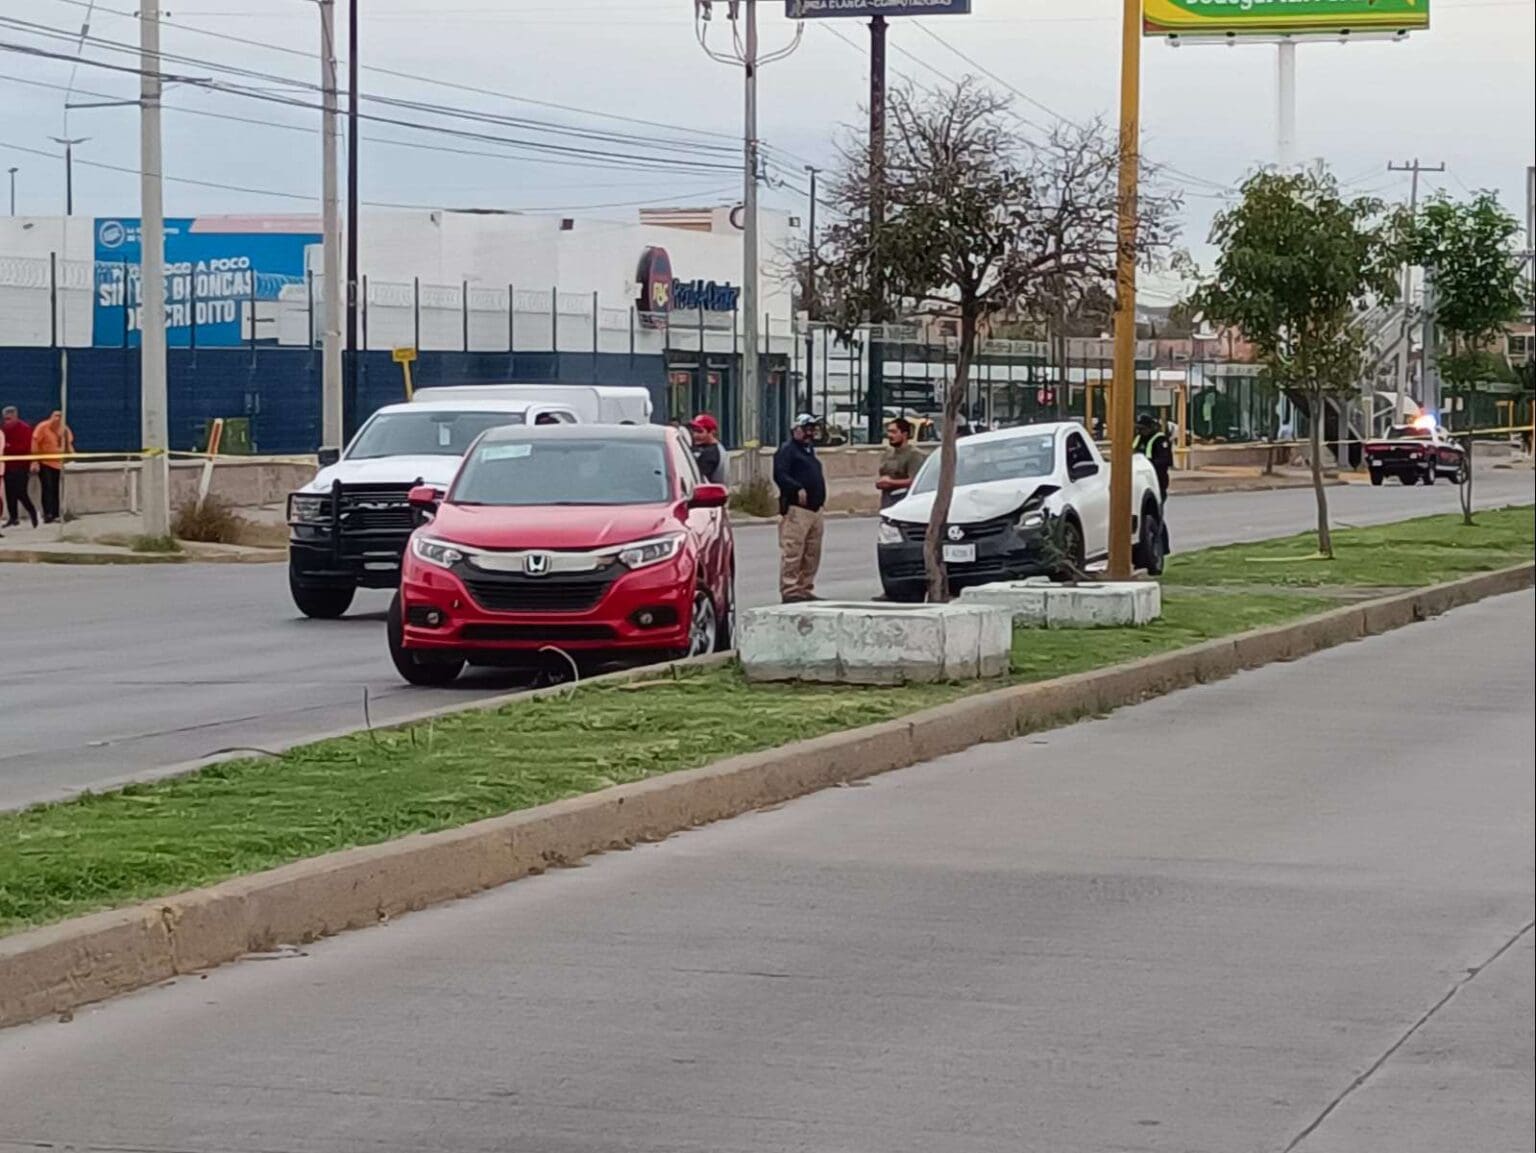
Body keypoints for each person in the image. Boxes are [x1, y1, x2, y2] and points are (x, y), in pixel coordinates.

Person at [773, 413, 827, 603]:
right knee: (793, 551)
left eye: (812, 429)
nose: (810, 433)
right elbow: (779, 474)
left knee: (812, 552)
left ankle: (805, 587)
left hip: (815, 509)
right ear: (796, 430)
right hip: (797, 509)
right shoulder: (788, 450)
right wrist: (796, 488)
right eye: (806, 430)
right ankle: (790, 589)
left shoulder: (809, 450)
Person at [31, 410, 73, 524]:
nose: (57, 418)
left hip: (58, 464)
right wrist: (34, 461)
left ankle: (56, 513)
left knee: (56, 489)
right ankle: (48, 514)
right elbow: (35, 442)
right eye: (55, 416)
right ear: (51, 417)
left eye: (60, 416)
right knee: (47, 488)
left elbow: (69, 444)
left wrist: (72, 457)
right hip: (45, 463)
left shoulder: (64, 429)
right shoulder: (43, 427)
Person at [2, 406, 39, 529]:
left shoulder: (24, 429)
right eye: (5, 419)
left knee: (20, 492)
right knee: (9, 493)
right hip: (7, 466)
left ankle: (33, 513)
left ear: (15, 417)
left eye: (9, 419)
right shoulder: (3, 430)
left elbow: (24, 447)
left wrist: (7, 447)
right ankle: (13, 518)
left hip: (21, 466)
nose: (7, 421)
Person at [876, 418, 923, 509]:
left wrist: (891, 482)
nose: (890, 435)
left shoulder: (914, 455)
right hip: (887, 501)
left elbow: (915, 481)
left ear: (904, 434)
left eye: (894, 432)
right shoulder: (888, 453)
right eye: (889, 432)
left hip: (904, 502)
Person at [1132, 411, 1173, 503]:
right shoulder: (1139, 438)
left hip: (1157, 477)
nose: (1140, 431)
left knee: (1156, 504)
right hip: (1140, 477)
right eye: (1138, 428)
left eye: (1143, 428)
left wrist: (1148, 463)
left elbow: (1165, 460)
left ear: (1150, 427)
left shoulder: (1160, 439)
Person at [687, 412, 728, 484]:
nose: (695, 435)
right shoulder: (717, 447)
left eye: (700, 431)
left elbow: (695, 478)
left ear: (712, 432)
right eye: (694, 431)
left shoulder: (711, 454)